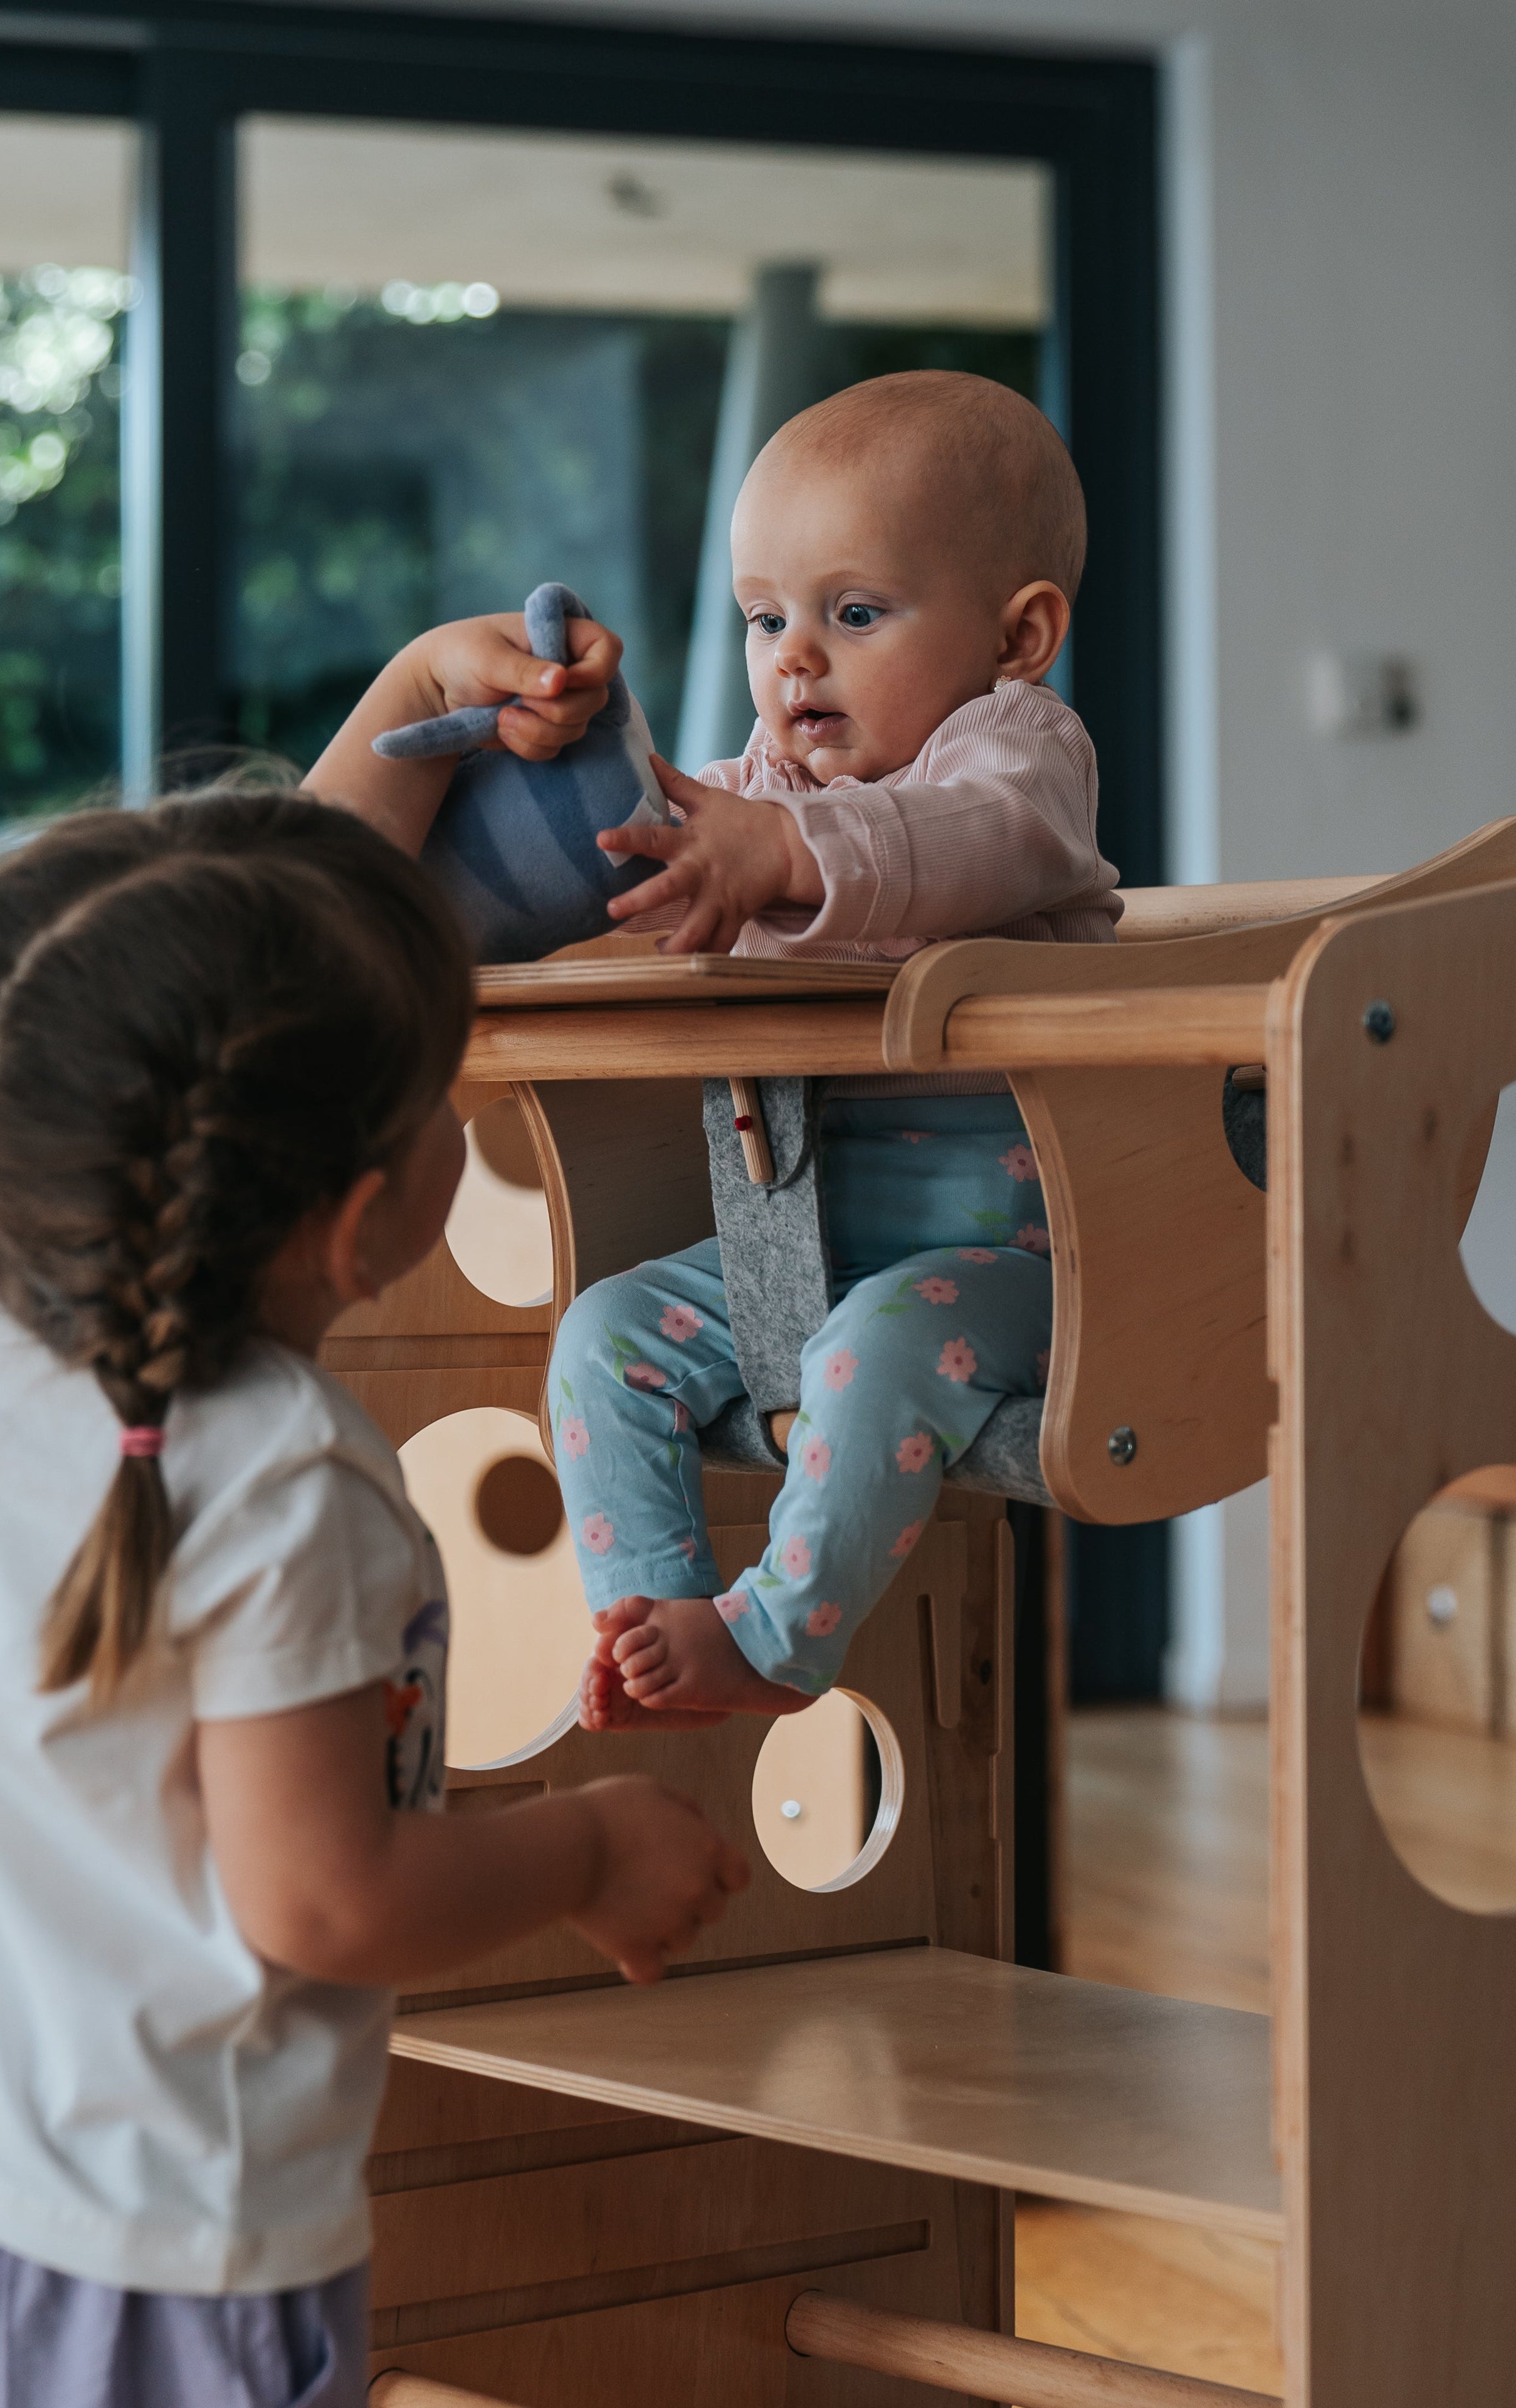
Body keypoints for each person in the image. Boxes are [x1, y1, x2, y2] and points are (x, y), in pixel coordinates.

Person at [0, 650, 748, 2407]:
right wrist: (592, 1850)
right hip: (143, 2292)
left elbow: (222, 983)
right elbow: (322, 1893)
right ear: (365, 1217)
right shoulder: (288, 1484)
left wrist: (413, 709)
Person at [532, 369, 1122, 1727]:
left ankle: (779, 1644)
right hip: (792, 1246)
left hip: (1029, 1258)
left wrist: (781, 854)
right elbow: (651, 832)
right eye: (765, 618)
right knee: (603, 1331)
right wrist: (568, 789)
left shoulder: (1021, 758)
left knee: (874, 1350)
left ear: (1019, 634)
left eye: (854, 614)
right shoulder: (769, 789)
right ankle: (654, 1605)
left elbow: (956, 855)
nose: (795, 658)